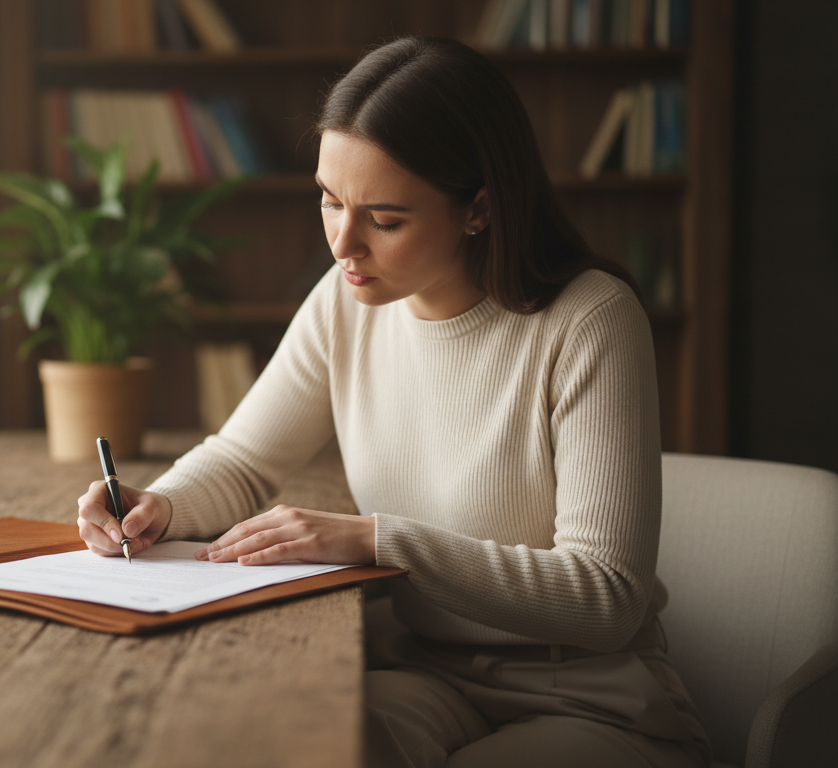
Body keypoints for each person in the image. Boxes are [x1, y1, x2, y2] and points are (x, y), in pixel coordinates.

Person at [75, 36, 711, 768]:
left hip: (588, 696)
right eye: (329, 200)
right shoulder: (345, 302)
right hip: (424, 672)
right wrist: (158, 506)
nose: (343, 244)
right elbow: (244, 460)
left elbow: (608, 596)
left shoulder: (590, 319)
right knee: (283, 740)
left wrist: (380, 541)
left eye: (384, 219)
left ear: (478, 208)